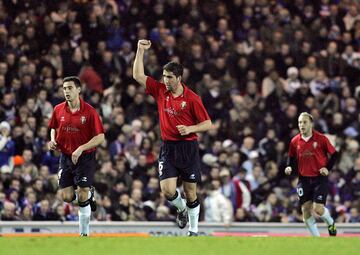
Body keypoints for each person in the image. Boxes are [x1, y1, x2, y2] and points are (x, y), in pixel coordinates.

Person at [133, 40, 212, 236]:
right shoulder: (160, 91)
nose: (165, 80)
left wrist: (191, 128)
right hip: (168, 147)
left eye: (169, 77)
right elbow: (137, 75)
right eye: (164, 76)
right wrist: (140, 51)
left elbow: (208, 123)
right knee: (168, 191)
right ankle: (182, 209)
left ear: (179, 78)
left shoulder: (192, 98)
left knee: (191, 192)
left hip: (188, 147)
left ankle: (193, 231)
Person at [48, 76, 105, 236]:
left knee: (82, 195)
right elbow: (53, 127)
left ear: (79, 90)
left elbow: (100, 137)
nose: (66, 91)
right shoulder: (58, 109)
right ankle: (89, 194)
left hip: (85, 157)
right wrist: (52, 140)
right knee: (66, 197)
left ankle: (83, 234)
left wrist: (81, 148)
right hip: (65, 157)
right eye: (64, 88)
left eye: (70, 88)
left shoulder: (89, 112)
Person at [285, 112, 337, 236]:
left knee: (318, 209)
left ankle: (330, 222)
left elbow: (334, 154)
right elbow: (291, 157)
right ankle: (316, 240)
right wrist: (289, 166)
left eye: (304, 122)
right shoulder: (295, 141)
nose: (301, 125)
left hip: (319, 178)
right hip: (303, 179)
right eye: (299, 122)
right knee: (305, 212)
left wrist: (327, 168)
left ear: (311, 124)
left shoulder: (321, 138)